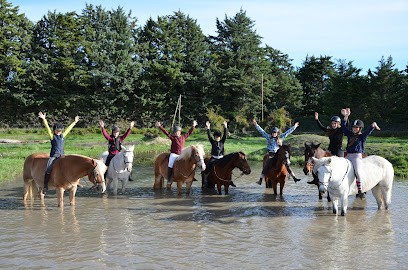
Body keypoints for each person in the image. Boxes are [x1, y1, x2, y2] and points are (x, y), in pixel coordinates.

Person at [341, 108, 380, 199]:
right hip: (348, 156)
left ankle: (360, 190)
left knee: (358, 172)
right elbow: (343, 127)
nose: (354, 129)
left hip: (356, 157)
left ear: (360, 128)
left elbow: (368, 132)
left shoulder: (362, 137)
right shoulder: (349, 134)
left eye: (356, 128)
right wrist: (346, 116)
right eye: (353, 127)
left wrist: (373, 125)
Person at [38, 111, 79, 194]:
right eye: (57, 130)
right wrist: (44, 119)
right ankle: (45, 186)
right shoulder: (52, 136)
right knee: (48, 169)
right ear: (54, 130)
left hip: (62, 156)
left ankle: (71, 182)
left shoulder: (62, 136)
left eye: (60, 131)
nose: (59, 132)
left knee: (70, 167)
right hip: (53, 156)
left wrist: (74, 122)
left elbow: (68, 129)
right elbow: (47, 128)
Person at [253, 119, 300, 185]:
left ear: (277, 133)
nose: (274, 134)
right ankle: (260, 179)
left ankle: (294, 177)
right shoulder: (268, 137)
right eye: (273, 133)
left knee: (286, 164)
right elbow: (262, 131)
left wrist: (294, 126)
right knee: (266, 164)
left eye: (275, 133)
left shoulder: (281, 137)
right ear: (271, 133)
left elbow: (288, 132)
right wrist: (256, 125)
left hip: (278, 154)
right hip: (271, 154)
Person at [307, 112, 347, 185]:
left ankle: (341, 181)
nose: (333, 125)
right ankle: (317, 179)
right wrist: (317, 119)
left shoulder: (341, 130)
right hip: (330, 151)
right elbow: (321, 127)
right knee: (321, 164)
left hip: (338, 151)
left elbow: (345, 125)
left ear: (338, 124)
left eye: (335, 123)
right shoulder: (330, 130)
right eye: (332, 123)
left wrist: (346, 116)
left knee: (339, 167)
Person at [155, 120, 197, 187]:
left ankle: (190, 176)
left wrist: (193, 126)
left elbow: (189, 132)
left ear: (180, 132)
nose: (177, 133)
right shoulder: (173, 138)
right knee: (170, 164)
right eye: (176, 132)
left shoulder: (183, 137)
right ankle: (169, 178)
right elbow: (166, 133)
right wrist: (160, 126)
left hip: (181, 154)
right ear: (174, 133)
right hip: (174, 154)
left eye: (178, 132)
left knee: (190, 162)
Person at [203, 120, 236, 188]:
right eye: (216, 137)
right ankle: (206, 179)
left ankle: (230, 180)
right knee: (208, 166)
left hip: (221, 158)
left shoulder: (222, 142)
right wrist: (208, 128)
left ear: (220, 137)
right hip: (214, 158)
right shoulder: (213, 142)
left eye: (218, 137)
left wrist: (225, 127)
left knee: (229, 167)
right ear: (214, 137)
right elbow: (209, 136)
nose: (217, 138)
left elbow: (225, 135)